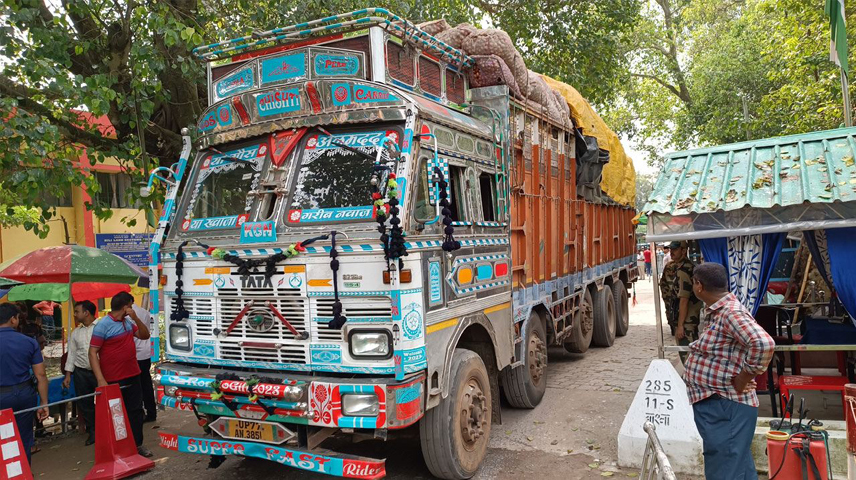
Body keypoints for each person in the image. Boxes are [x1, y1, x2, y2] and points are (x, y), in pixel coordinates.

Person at [685, 262, 775, 480]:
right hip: (719, 403)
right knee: (736, 467)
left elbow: (764, 344)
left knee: (725, 469)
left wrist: (743, 378)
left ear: (699, 285)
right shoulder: (717, 311)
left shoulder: (730, 313)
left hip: (725, 404)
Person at [89, 292, 153, 457]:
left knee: (136, 412)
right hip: (112, 378)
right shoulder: (103, 325)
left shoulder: (128, 323)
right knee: (116, 414)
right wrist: (101, 379)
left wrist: (137, 319)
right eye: (131, 306)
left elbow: (145, 336)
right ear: (125, 307)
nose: (132, 309)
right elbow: (92, 352)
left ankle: (137, 445)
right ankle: (119, 449)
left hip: (133, 374)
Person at [0, 303, 49, 465]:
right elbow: (41, 375)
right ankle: (23, 472)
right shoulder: (28, 342)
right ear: (13, 319)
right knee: (23, 438)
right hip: (23, 395)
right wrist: (43, 403)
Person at [63, 301, 99, 445]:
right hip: (81, 372)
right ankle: (93, 432)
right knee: (85, 403)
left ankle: (107, 429)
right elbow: (71, 354)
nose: (75, 314)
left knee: (104, 401)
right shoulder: (76, 332)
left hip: (100, 372)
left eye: (77, 311)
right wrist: (68, 375)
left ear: (86, 313)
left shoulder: (101, 328)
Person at [669, 241, 703, 363]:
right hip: (691, 318)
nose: (671, 252)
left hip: (687, 320)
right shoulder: (688, 267)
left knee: (687, 357)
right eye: (670, 249)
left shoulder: (683, 271)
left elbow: (684, 300)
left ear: (683, 251)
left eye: (675, 249)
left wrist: (680, 326)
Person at [132, 299, 157, 423]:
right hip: (146, 352)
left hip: (136, 353)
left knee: (138, 386)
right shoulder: (144, 312)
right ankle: (151, 411)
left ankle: (142, 412)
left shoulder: (129, 315)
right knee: (146, 384)